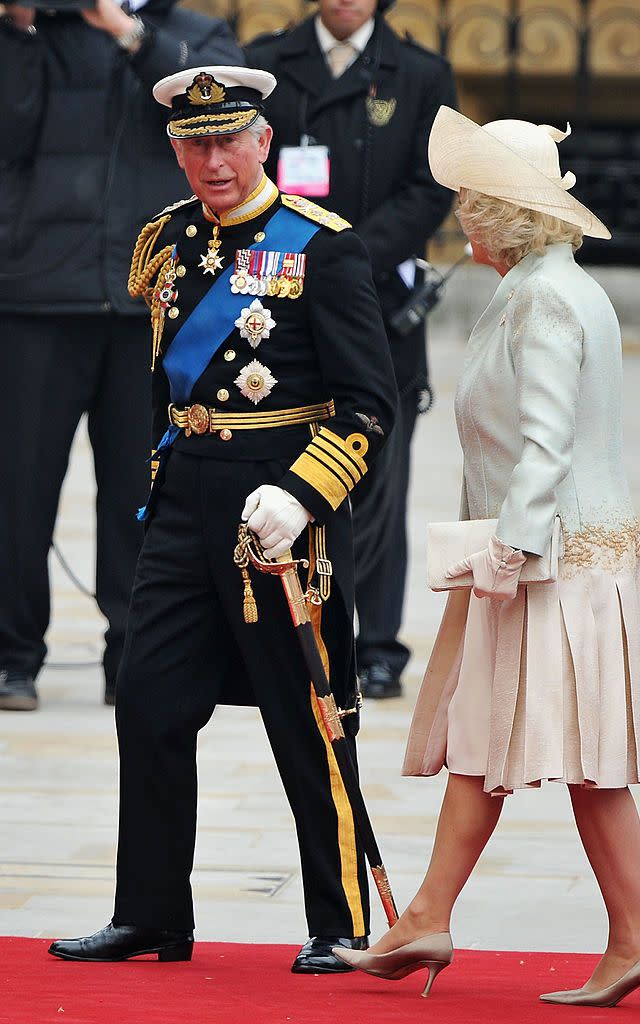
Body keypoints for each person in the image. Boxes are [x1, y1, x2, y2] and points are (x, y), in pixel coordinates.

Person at [47, 65, 398, 974]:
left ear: (262, 141)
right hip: (184, 498)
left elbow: (367, 406)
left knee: (306, 715)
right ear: (175, 150)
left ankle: (342, 918)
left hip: (278, 510)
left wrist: (304, 492)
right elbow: (167, 384)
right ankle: (153, 913)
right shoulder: (166, 240)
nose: (212, 160)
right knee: (150, 702)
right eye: (192, 144)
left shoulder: (323, 248)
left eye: (226, 140)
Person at [334, 106, 640, 1009]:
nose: (460, 221)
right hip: (544, 557)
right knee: (485, 743)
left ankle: (633, 939)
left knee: (586, 763)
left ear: (504, 214)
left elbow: (545, 444)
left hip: (551, 562)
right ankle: (426, 918)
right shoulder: (539, 288)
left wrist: (510, 554)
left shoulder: (547, 299)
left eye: (470, 205)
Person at [0, 0, 243, 711]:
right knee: (18, 488)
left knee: (142, 493)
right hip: (36, 292)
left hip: (154, 301)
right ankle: (13, 656)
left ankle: (133, 652)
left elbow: (220, 120)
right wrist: (16, 29)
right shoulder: (37, 27)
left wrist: (128, 33)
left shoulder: (195, 33)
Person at [245, 0, 457, 699]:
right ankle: (280, 626)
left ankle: (375, 647)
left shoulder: (419, 73)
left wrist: (344, 261)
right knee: (282, 468)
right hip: (275, 303)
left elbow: (430, 187)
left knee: (377, 479)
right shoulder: (269, 61)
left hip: (376, 305)